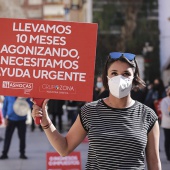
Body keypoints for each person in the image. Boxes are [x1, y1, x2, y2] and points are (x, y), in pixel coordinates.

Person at [32, 52, 161, 169]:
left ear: (134, 78)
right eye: (114, 73)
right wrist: (45, 121)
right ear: (107, 78)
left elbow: (154, 162)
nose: (120, 79)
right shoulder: (90, 111)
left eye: (126, 74)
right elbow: (64, 148)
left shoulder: (148, 115)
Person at [160, 86, 170, 161]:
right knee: (167, 140)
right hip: (167, 124)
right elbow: (165, 111)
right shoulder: (165, 100)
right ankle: (168, 155)